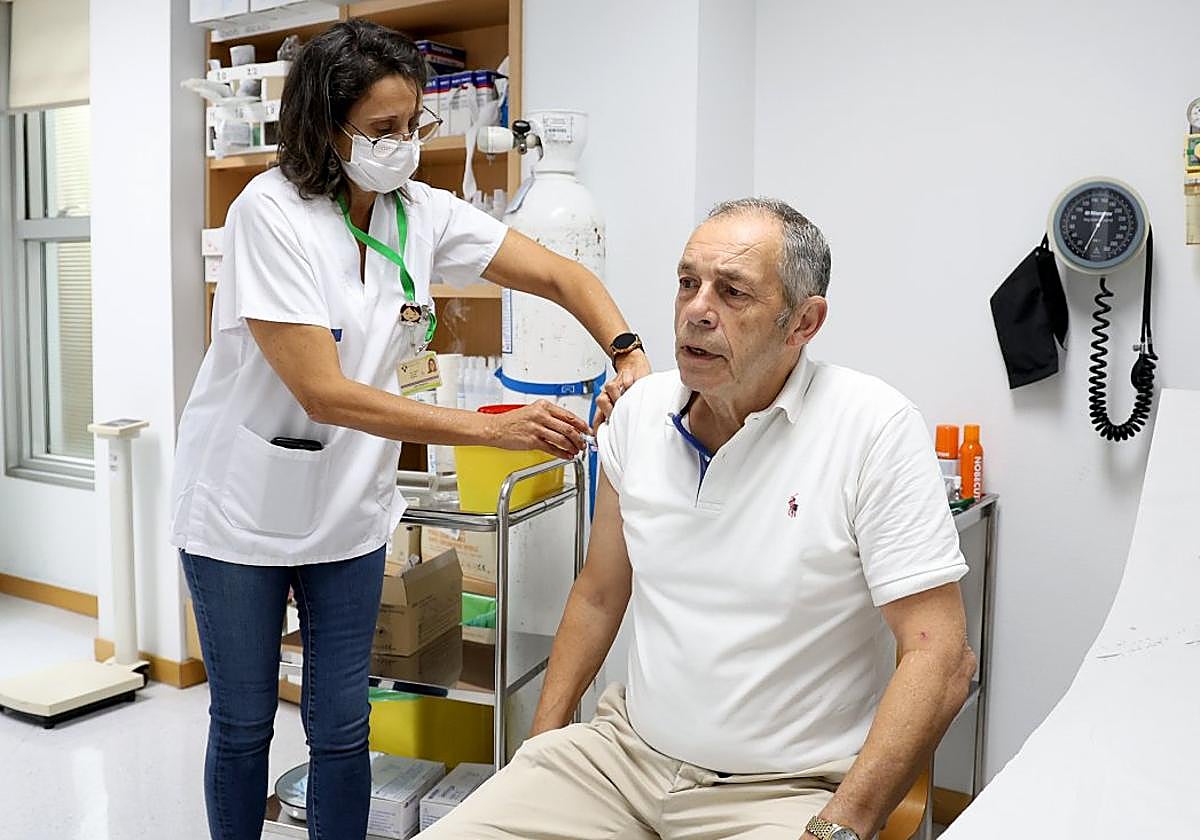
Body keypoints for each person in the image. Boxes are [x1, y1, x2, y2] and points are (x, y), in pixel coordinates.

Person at [170, 20, 649, 840]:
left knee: (344, 727)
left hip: (350, 511)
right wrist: (491, 429)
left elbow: (561, 272)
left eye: (412, 125)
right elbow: (323, 393)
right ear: (324, 127)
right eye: (381, 130)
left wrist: (627, 351)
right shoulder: (269, 214)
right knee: (246, 724)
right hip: (238, 515)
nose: (404, 146)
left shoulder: (418, 212)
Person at [420, 198, 976, 840]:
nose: (697, 310)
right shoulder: (638, 415)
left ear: (804, 322)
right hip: (619, 762)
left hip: (781, 793)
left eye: (732, 292)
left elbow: (941, 658)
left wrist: (841, 827)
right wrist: (539, 749)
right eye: (688, 283)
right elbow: (600, 594)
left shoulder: (873, 429)